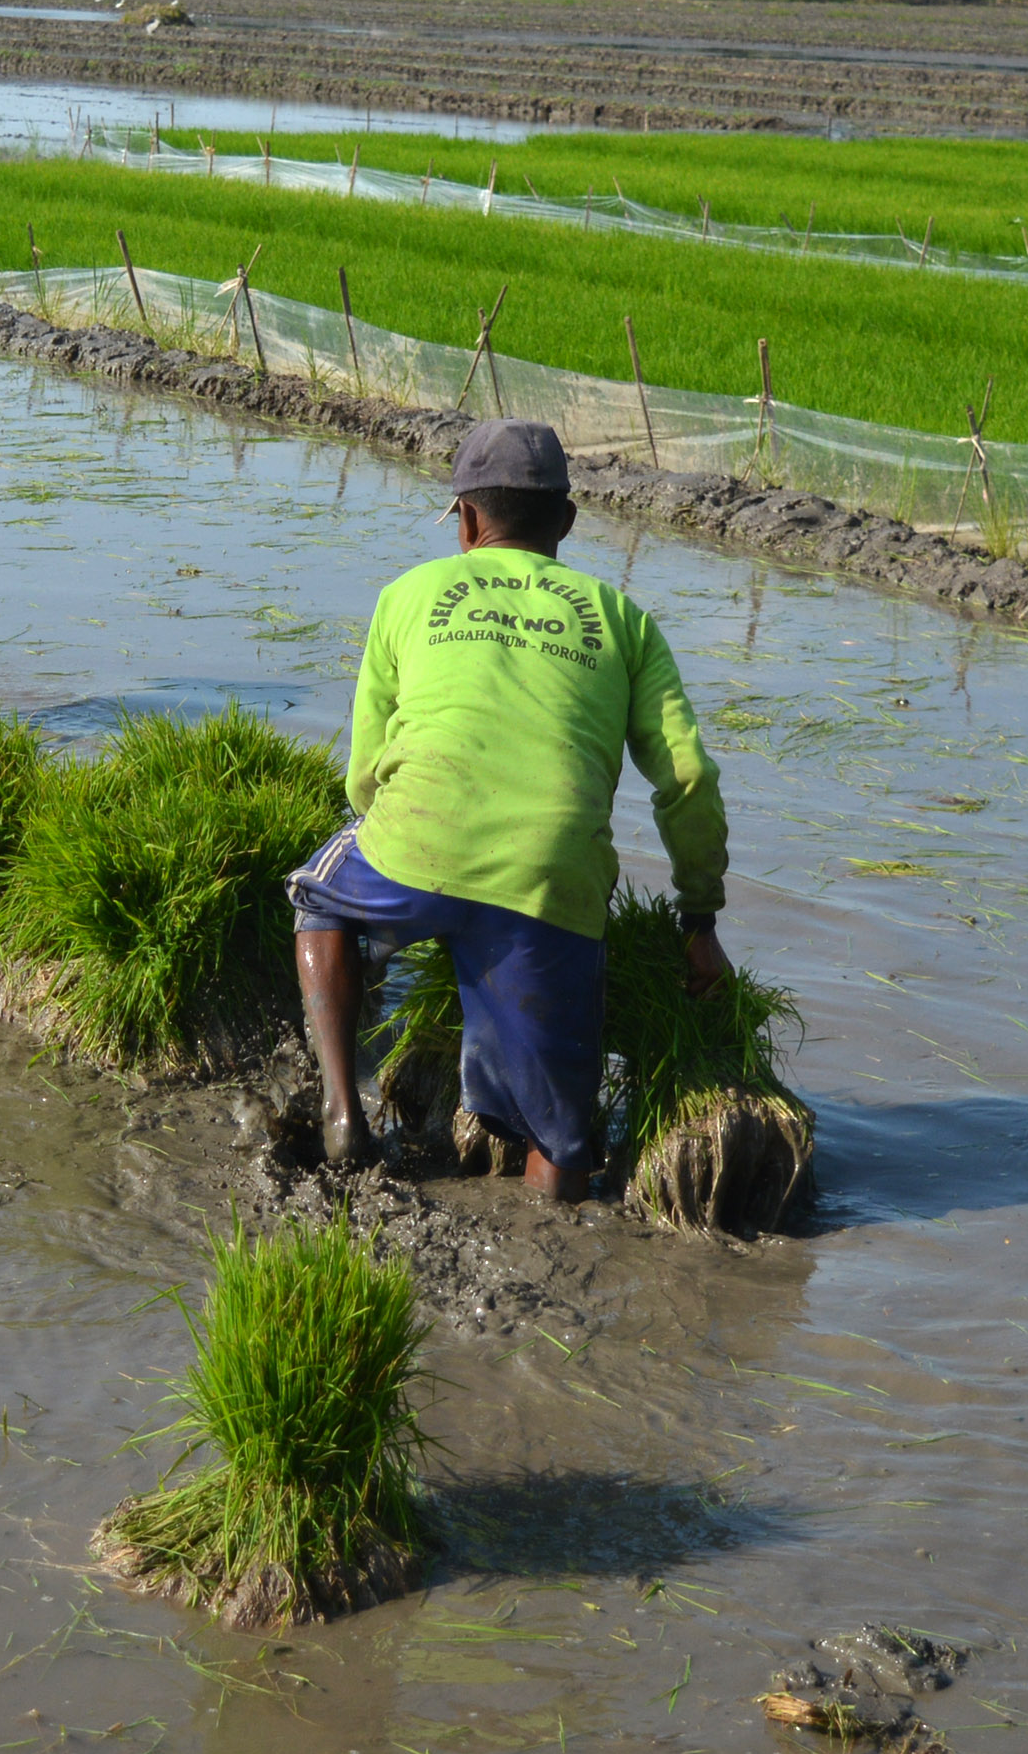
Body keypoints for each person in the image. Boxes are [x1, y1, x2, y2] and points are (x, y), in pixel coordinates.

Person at [288, 419, 731, 1199]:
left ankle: (342, 1106)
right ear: (567, 521)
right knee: (560, 1138)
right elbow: (687, 777)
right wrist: (699, 922)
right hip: (550, 878)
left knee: (316, 898)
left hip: (413, 844)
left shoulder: (406, 594)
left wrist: (422, 857)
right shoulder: (623, 619)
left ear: (465, 520)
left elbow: (363, 778)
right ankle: (552, 1236)